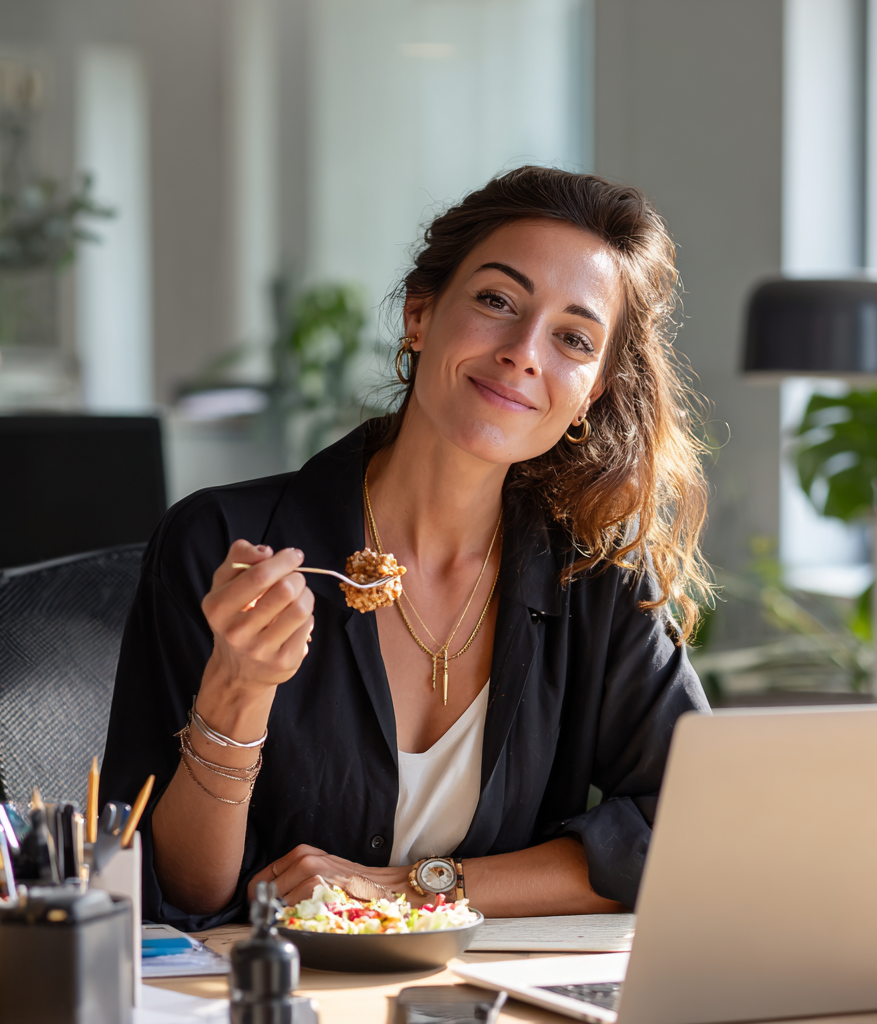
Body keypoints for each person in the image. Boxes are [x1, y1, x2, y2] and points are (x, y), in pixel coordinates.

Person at [100, 166, 712, 930]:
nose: (525, 351)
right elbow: (182, 892)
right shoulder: (220, 544)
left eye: (572, 338)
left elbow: (689, 826)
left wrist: (415, 886)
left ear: (591, 389)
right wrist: (237, 692)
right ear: (419, 315)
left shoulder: (597, 573)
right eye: (497, 301)